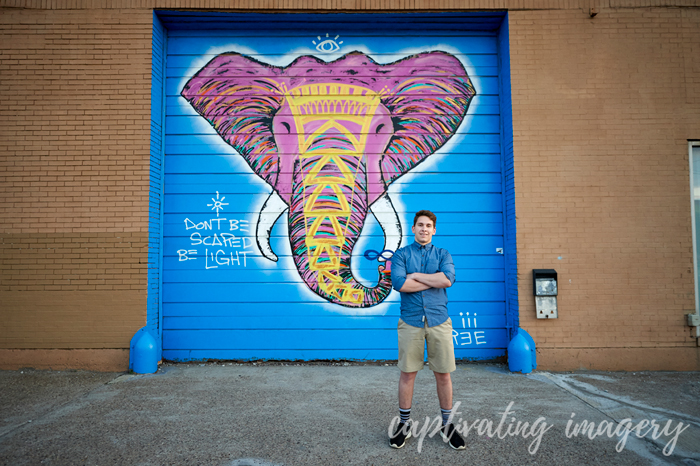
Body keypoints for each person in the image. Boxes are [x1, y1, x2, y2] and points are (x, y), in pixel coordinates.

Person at [388, 210, 466, 450]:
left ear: (434, 230)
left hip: (439, 321)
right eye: (420, 225)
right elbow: (400, 284)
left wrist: (418, 276)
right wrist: (432, 278)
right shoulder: (401, 255)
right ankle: (404, 424)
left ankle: (447, 425)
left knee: (443, 374)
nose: (424, 229)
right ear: (413, 228)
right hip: (410, 321)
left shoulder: (443, 254)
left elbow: (447, 280)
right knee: (408, 374)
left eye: (428, 225)